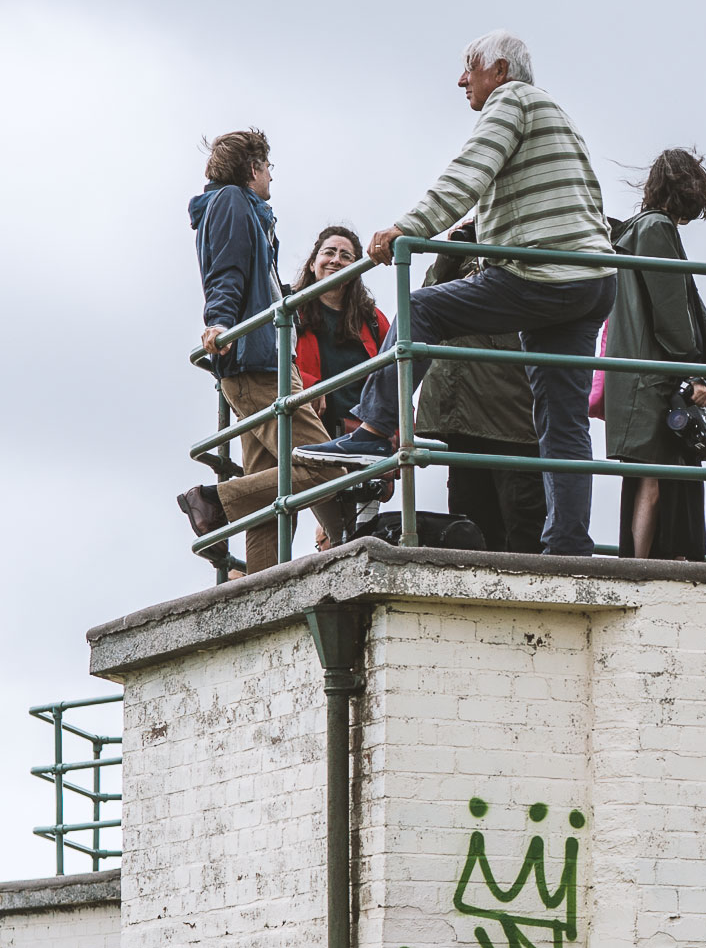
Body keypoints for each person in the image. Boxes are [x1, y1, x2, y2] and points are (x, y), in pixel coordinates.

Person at [296, 30, 616, 557]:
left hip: (542, 272)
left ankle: (376, 427)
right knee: (562, 420)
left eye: (471, 67)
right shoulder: (554, 115)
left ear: (501, 72)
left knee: (421, 309)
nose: (462, 79)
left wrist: (407, 228)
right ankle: (568, 546)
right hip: (590, 279)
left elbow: (468, 172)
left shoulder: (510, 100)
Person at [179, 129, 353, 571]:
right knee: (326, 466)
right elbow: (227, 270)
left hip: (256, 361)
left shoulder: (243, 209)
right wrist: (218, 321)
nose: (272, 176)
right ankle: (213, 499)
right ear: (254, 168)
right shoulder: (234, 202)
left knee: (267, 488)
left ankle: (257, 583)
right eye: (268, 167)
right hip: (259, 364)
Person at [605, 148, 706, 560]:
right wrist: (694, 373)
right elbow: (670, 308)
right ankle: (642, 567)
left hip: (632, 371)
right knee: (656, 479)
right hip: (654, 374)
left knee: (644, 477)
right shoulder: (657, 230)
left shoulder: (631, 232)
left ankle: (637, 563)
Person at [415, 223, 546, 554]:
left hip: (514, 417)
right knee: (470, 529)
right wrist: (452, 250)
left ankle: (530, 603)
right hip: (463, 418)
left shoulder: (526, 248)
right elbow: (424, 298)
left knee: (524, 528)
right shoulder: (463, 259)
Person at [289, 227, 387, 438]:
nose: (336, 260)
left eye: (345, 256)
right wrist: (309, 386)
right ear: (312, 263)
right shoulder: (288, 311)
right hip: (309, 428)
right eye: (329, 252)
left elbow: (397, 374)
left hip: (363, 437)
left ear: (356, 270)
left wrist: (398, 430)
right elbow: (270, 363)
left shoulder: (373, 319)